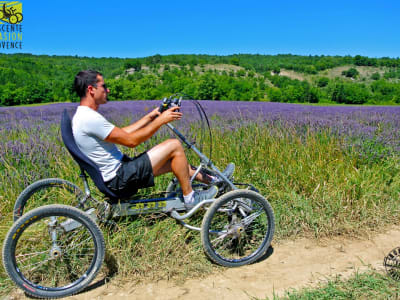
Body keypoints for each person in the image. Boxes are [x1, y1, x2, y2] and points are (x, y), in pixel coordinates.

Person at [72, 70, 230, 209]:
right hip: (119, 180)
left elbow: (122, 133)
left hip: (118, 175)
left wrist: (152, 115)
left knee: (176, 163)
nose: (108, 89)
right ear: (91, 89)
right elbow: (131, 141)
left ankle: (215, 181)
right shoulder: (90, 118)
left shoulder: (83, 116)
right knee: (174, 145)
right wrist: (161, 121)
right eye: (104, 86)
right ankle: (191, 198)